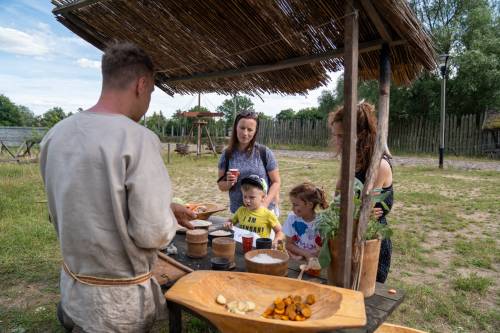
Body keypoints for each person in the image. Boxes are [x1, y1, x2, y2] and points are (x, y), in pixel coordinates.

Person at [40, 42, 195, 333]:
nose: (148, 100)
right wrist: (167, 218)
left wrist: (166, 208)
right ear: (142, 84)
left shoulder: (55, 135)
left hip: (75, 288)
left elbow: (78, 203)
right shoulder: (138, 139)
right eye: (150, 93)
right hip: (117, 305)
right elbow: (153, 232)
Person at [329, 101, 394, 283]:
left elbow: (364, 213)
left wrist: (345, 207)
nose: (338, 142)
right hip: (347, 239)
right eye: (336, 136)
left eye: (342, 136)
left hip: (370, 244)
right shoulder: (349, 161)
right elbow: (338, 200)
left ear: (361, 135)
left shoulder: (379, 166)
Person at [217, 111, 281, 216]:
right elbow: (221, 186)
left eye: (250, 129)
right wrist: (229, 183)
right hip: (239, 214)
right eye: (242, 128)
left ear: (255, 131)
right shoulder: (227, 154)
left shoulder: (264, 152)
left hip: (264, 213)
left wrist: (264, 204)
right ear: (235, 128)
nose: (245, 133)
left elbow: (276, 182)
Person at [224, 175, 284, 247]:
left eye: (252, 197)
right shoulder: (240, 211)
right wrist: (228, 223)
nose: (247, 200)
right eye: (245, 196)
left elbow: (280, 231)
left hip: (260, 251)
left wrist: (276, 241)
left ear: (263, 197)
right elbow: (231, 222)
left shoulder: (268, 214)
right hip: (242, 248)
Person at [284, 182, 329, 261]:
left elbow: (325, 247)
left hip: (315, 259)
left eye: (296, 205)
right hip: (296, 257)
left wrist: (313, 255)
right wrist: (305, 254)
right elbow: (288, 244)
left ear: (310, 205)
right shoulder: (291, 218)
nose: (292, 208)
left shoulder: (322, 222)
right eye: (292, 204)